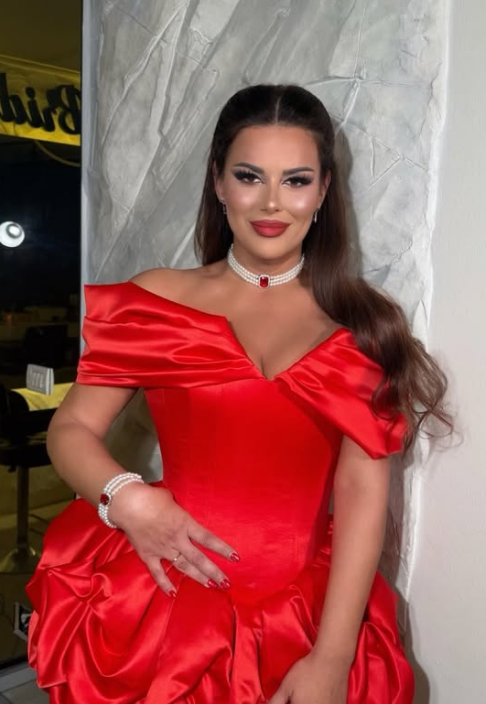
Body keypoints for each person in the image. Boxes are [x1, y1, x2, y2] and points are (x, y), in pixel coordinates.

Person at [26, 84, 450, 704]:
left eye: (296, 180)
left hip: (307, 623)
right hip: (162, 610)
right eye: (249, 176)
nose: (272, 202)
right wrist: (129, 501)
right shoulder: (158, 300)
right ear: (219, 183)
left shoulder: (364, 324)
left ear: (324, 191)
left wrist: (333, 658)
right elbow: (70, 430)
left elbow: (363, 490)